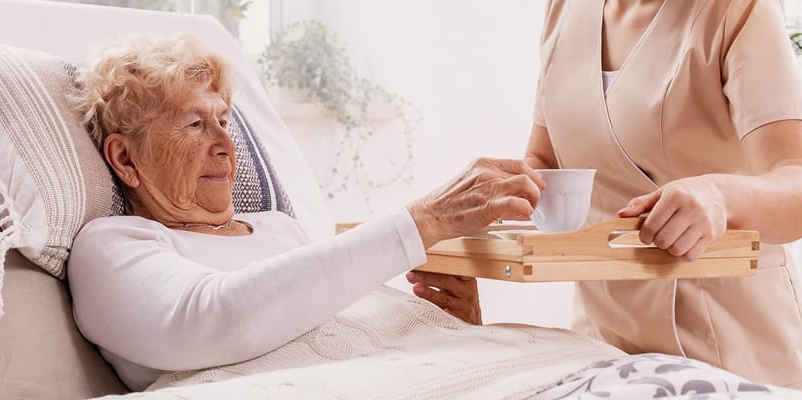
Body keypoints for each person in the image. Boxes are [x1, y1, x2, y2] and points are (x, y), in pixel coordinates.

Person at [65, 33, 545, 391]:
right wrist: (426, 220)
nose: (227, 146)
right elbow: (216, 319)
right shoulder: (113, 244)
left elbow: (340, 328)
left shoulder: (280, 229)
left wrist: (459, 328)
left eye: (225, 120)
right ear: (125, 159)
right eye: (195, 123)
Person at [409, 0, 802, 389]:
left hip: (728, 341)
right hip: (602, 345)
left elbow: (795, 181)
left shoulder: (737, 10)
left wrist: (720, 196)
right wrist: (477, 219)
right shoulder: (564, 9)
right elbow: (545, 164)